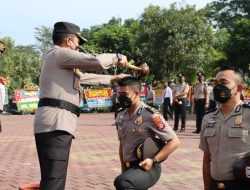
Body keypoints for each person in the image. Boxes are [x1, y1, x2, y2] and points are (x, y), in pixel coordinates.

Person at [34, 21, 130, 190]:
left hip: (56, 123)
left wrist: (114, 79)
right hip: (56, 123)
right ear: (69, 40)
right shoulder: (60, 53)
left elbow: (84, 78)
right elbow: (96, 61)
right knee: (54, 180)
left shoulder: (59, 60)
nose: (78, 47)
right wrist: (117, 57)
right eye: (78, 42)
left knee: (53, 178)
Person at [114, 76, 180, 190]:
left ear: (137, 93)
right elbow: (122, 144)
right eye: (119, 94)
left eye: (125, 94)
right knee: (123, 181)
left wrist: (153, 160)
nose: (121, 97)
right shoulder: (120, 116)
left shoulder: (150, 115)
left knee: (123, 183)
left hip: (149, 166)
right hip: (130, 168)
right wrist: (123, 168)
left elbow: (175, 141)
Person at [199, 66, 250, 190]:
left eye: (223, 82)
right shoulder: (208, 118)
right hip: (215, 185)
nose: (217, 87)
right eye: (215, 83)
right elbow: (207, 159)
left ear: (239, 87)